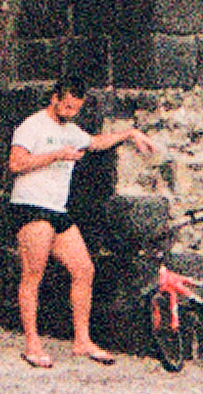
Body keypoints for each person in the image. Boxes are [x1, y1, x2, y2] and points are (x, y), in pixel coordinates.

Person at [8, 77, 150, 369]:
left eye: (76, 109)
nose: (71, 113)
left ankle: (82, 341)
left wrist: (130, 133)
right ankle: (32, 344)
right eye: (68, 107)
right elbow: (16, 163)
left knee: (84, 269)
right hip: (32, 206)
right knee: (33, 274)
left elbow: (96, 142)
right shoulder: (32, 126)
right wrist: (56, 155)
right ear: (55, 99)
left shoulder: (71, 130)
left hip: (57, 210)